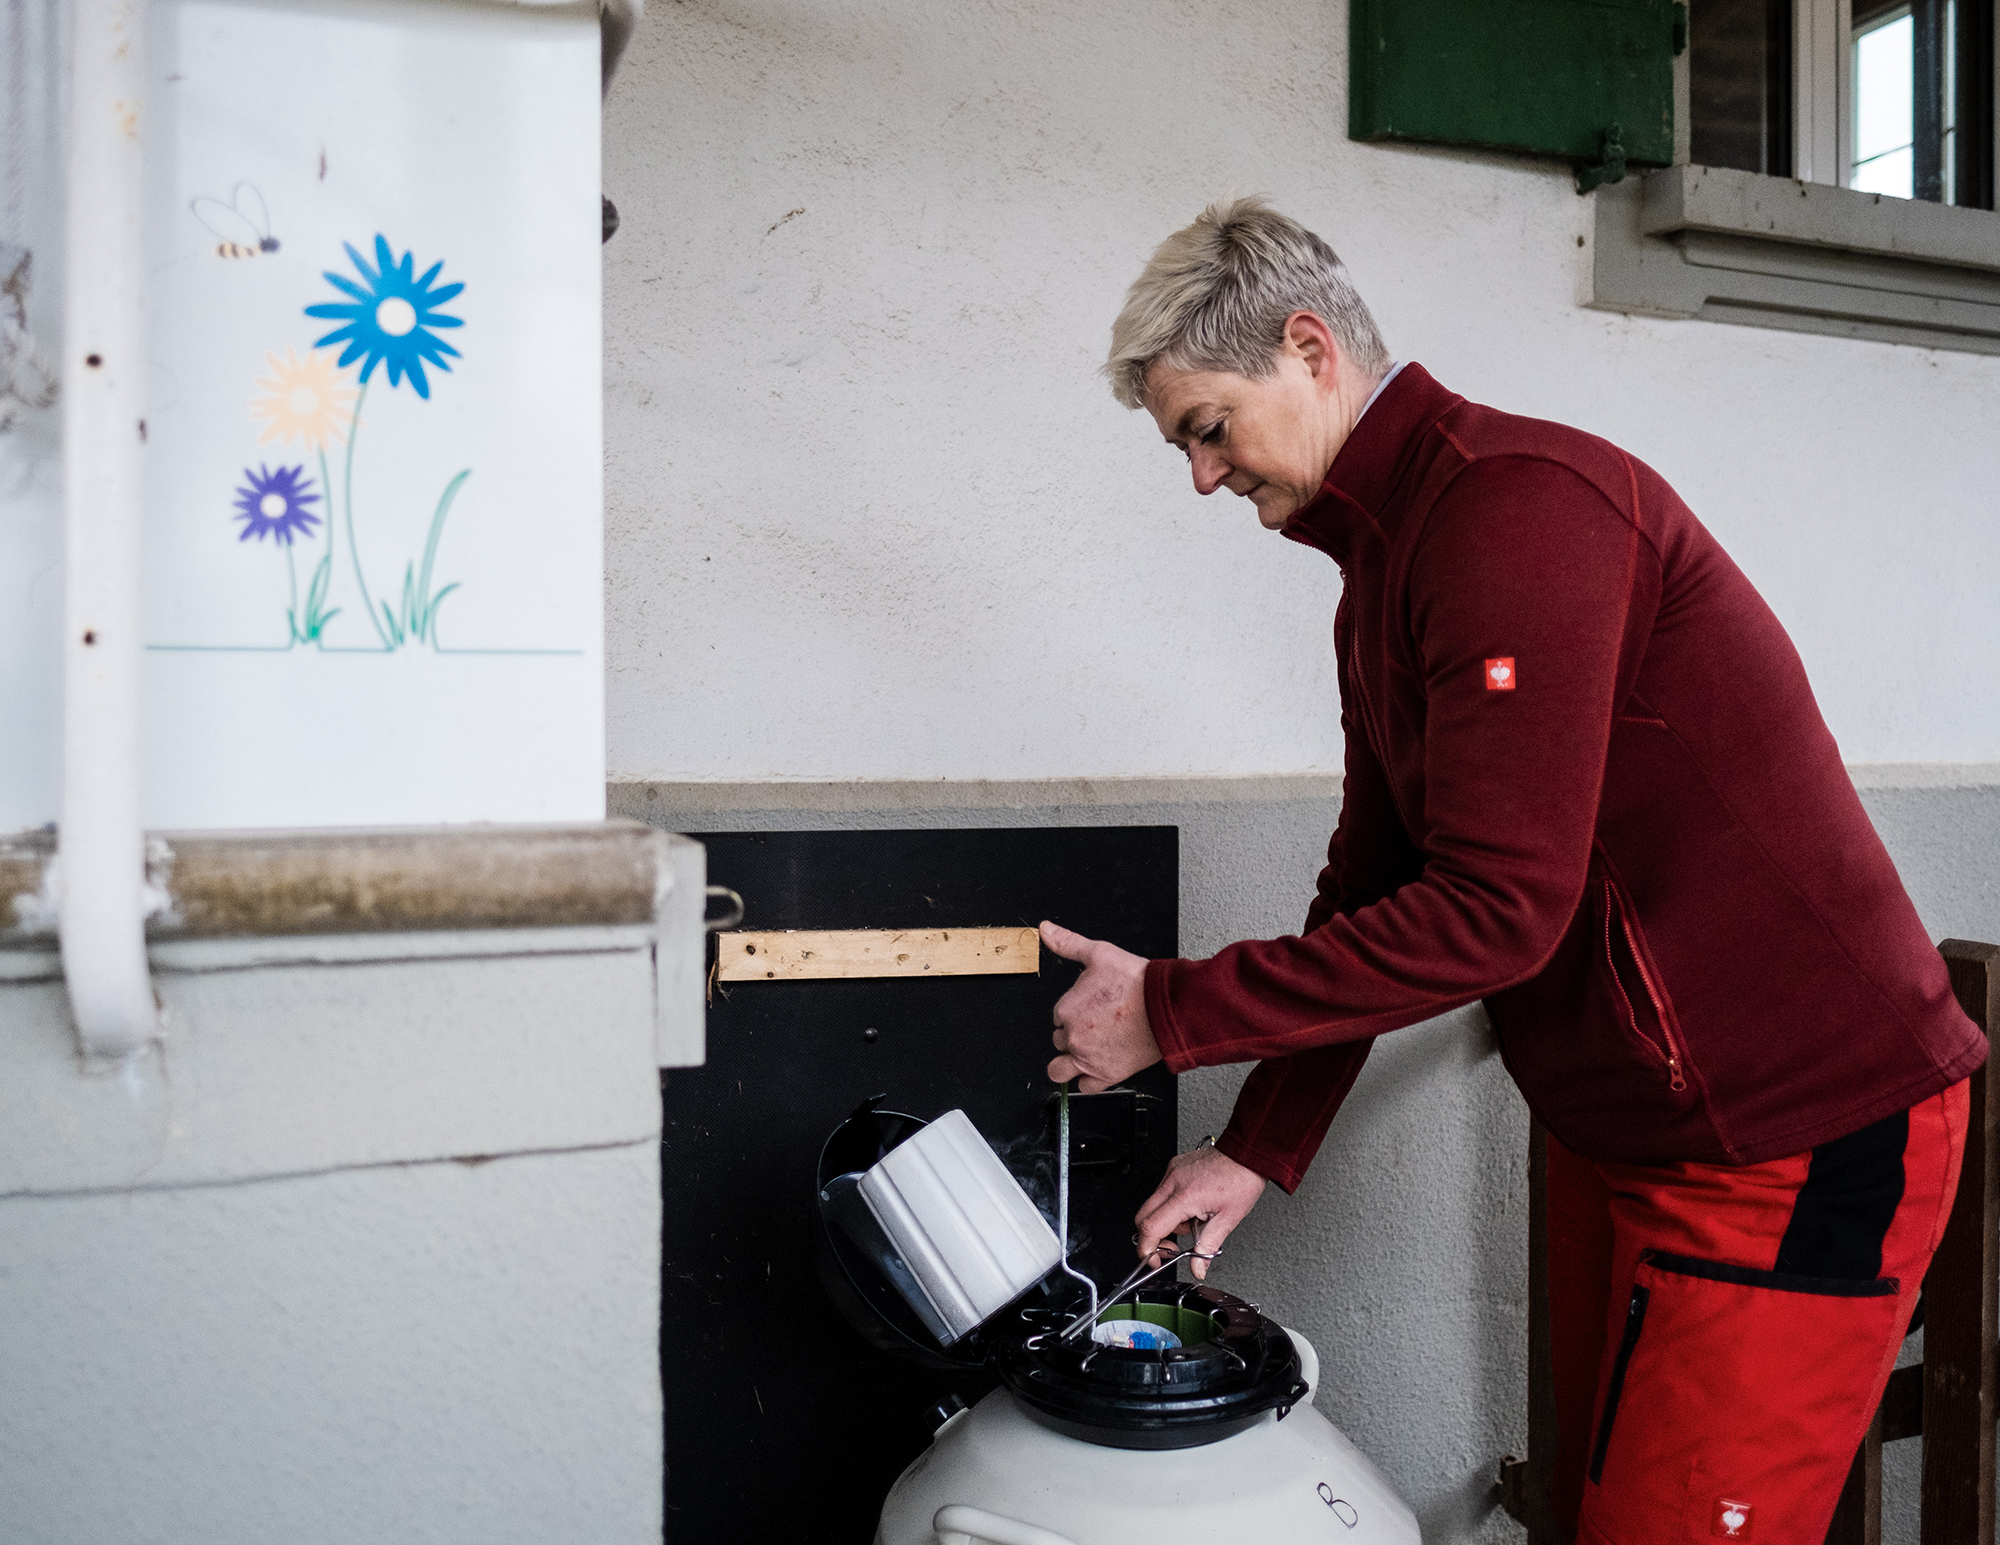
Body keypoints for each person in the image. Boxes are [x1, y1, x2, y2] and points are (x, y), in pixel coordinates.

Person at [1038, 197, 1985, 1545]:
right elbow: (1375, 885)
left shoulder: (1518, 510)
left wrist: (1173, 1011)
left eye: (1207, 429)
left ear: (1310, 348)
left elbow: (1499, 911)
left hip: (1794, 1126)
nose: (1202, 477)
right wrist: (1258, 1141)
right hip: (1636, 1129)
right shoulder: (1385, 570)